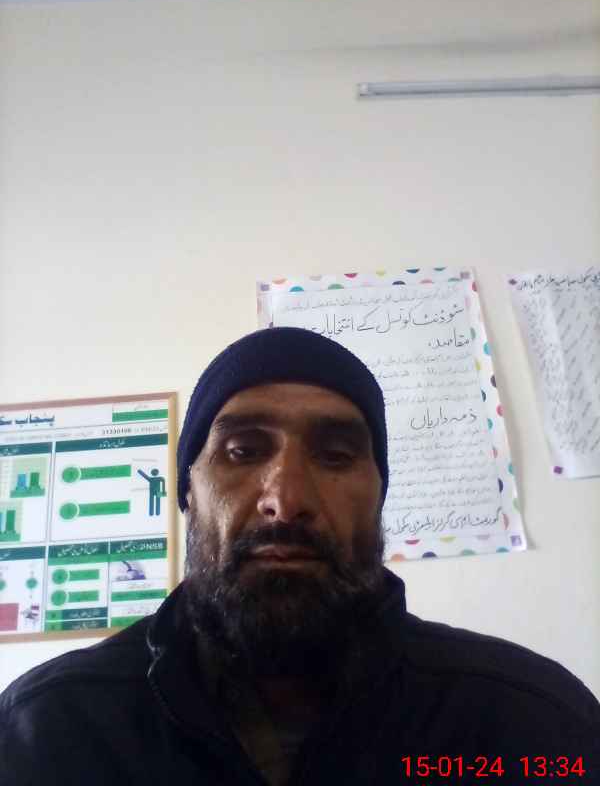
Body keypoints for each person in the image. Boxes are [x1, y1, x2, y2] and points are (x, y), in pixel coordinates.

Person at [1, 327, 599, 786]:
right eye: (242, 451)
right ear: (187, 493)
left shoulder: (530, 724)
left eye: (336, 456)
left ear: (379, 496)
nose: (285, 501)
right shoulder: (48, 731)